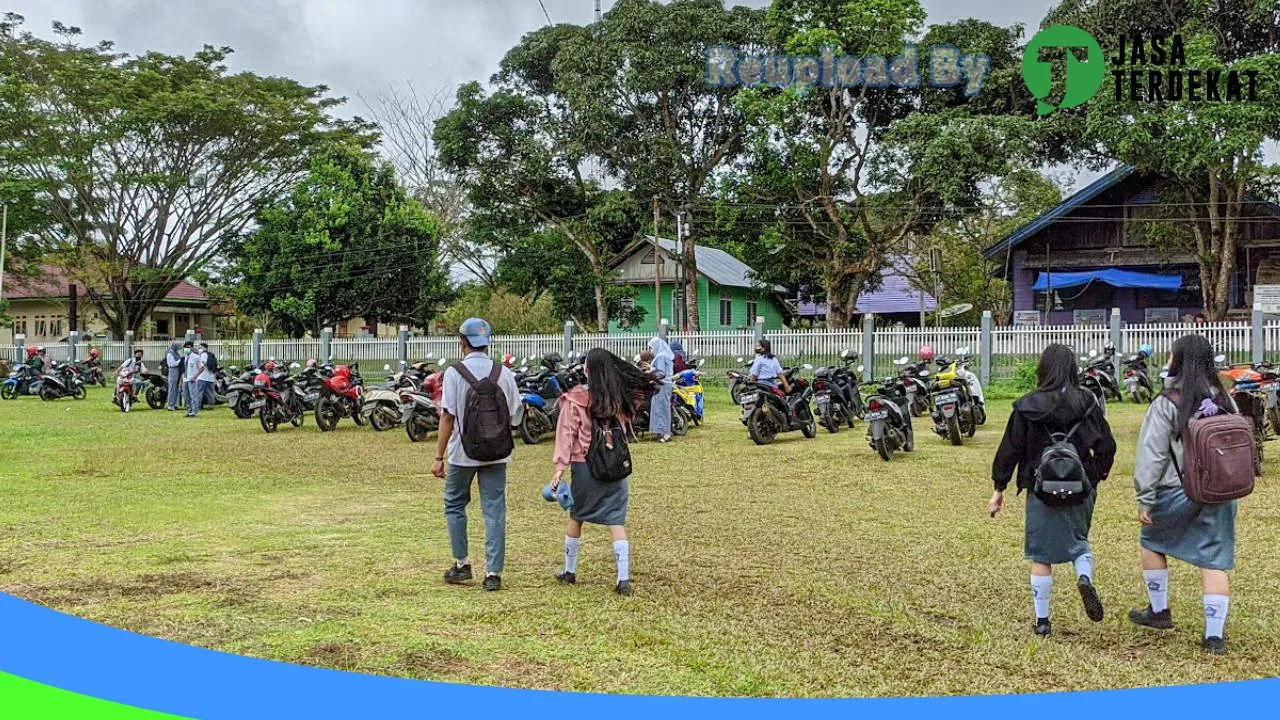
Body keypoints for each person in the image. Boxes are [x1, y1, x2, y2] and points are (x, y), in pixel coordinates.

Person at [990, 344, 1117, 637]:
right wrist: (1097, 475)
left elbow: (1010, 449)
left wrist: (999, 487)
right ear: (1072, 369)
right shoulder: (1087, 402)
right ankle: (1084, 576)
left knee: (1041, 555)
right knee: (1078, 541)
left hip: (1040, 486)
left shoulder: (1026, 405)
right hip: (1081, 484)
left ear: (1042, 369)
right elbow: (1107, 445)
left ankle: (1043, 621)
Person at [1130, 334, 1240, 655]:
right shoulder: (1226, 399)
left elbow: (1151, 456)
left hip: (1175, 492)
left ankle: (1159, 610)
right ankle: (1214, 636)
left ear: (1176, 360)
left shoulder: (1167, 402)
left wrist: (1145, 498)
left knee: (1151, 541)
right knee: (1213, 561)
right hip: (1220, 491)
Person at [550, 348, 654, 596]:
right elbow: (641, 396)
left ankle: (570, 570)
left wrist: (559, 468)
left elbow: (566, 434)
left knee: (576, 516)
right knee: (616, 520)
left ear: (587, 369)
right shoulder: (619, 398)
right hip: (616, 466)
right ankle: (623, 579)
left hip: (584, 465)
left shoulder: (574, 399)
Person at [430, 318, 523, 592]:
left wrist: (438, 457)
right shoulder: (503, 373)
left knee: (455, 504)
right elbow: (516, 416)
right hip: (497, 453)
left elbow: (447, 417)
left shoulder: (454, 373)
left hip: (462, 453)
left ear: (462, 342)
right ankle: (493, 572)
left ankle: (462, 564)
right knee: (494, 509)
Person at [646, 336, 675, 443]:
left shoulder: (661, 356)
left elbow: (661, 372)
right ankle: (661, 431)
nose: (650, 350)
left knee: (661, 408)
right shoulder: (665, 355)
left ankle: (665, 433)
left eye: (651, 348)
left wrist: (650, 371)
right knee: (660, 408)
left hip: (662, 385)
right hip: (664, 385)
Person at [181, 341, 204, 417]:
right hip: (185, 379)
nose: (186, 349)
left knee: (193, 396)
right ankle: (189, 411)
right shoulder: (185, 357)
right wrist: (181, 380)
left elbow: (201, 368)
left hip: (192, 379)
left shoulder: (196, 357)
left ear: (192, 348)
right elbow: (184, 369)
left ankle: (195, 412)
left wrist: (195, 376)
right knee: (186, 396)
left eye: (188, 347)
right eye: (185, 347)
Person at [164, 341, 184, 411]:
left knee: (177, 388)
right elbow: (171, 364)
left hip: (177, 371)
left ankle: (176, 404)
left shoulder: (176, 353)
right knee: (172, 388)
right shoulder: (170, 353)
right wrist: (180, 361)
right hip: (173, 371)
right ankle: (170, 405)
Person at [199, 342, 218, 408]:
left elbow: (203, 364)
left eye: (200, 347)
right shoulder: (212, 355)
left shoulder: (203, 354)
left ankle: (199, 406)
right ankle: (211, 405)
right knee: (210, 393)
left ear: (204, 348)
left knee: (200, 392)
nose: (199, 349)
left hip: (202, 377)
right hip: (210, 377)